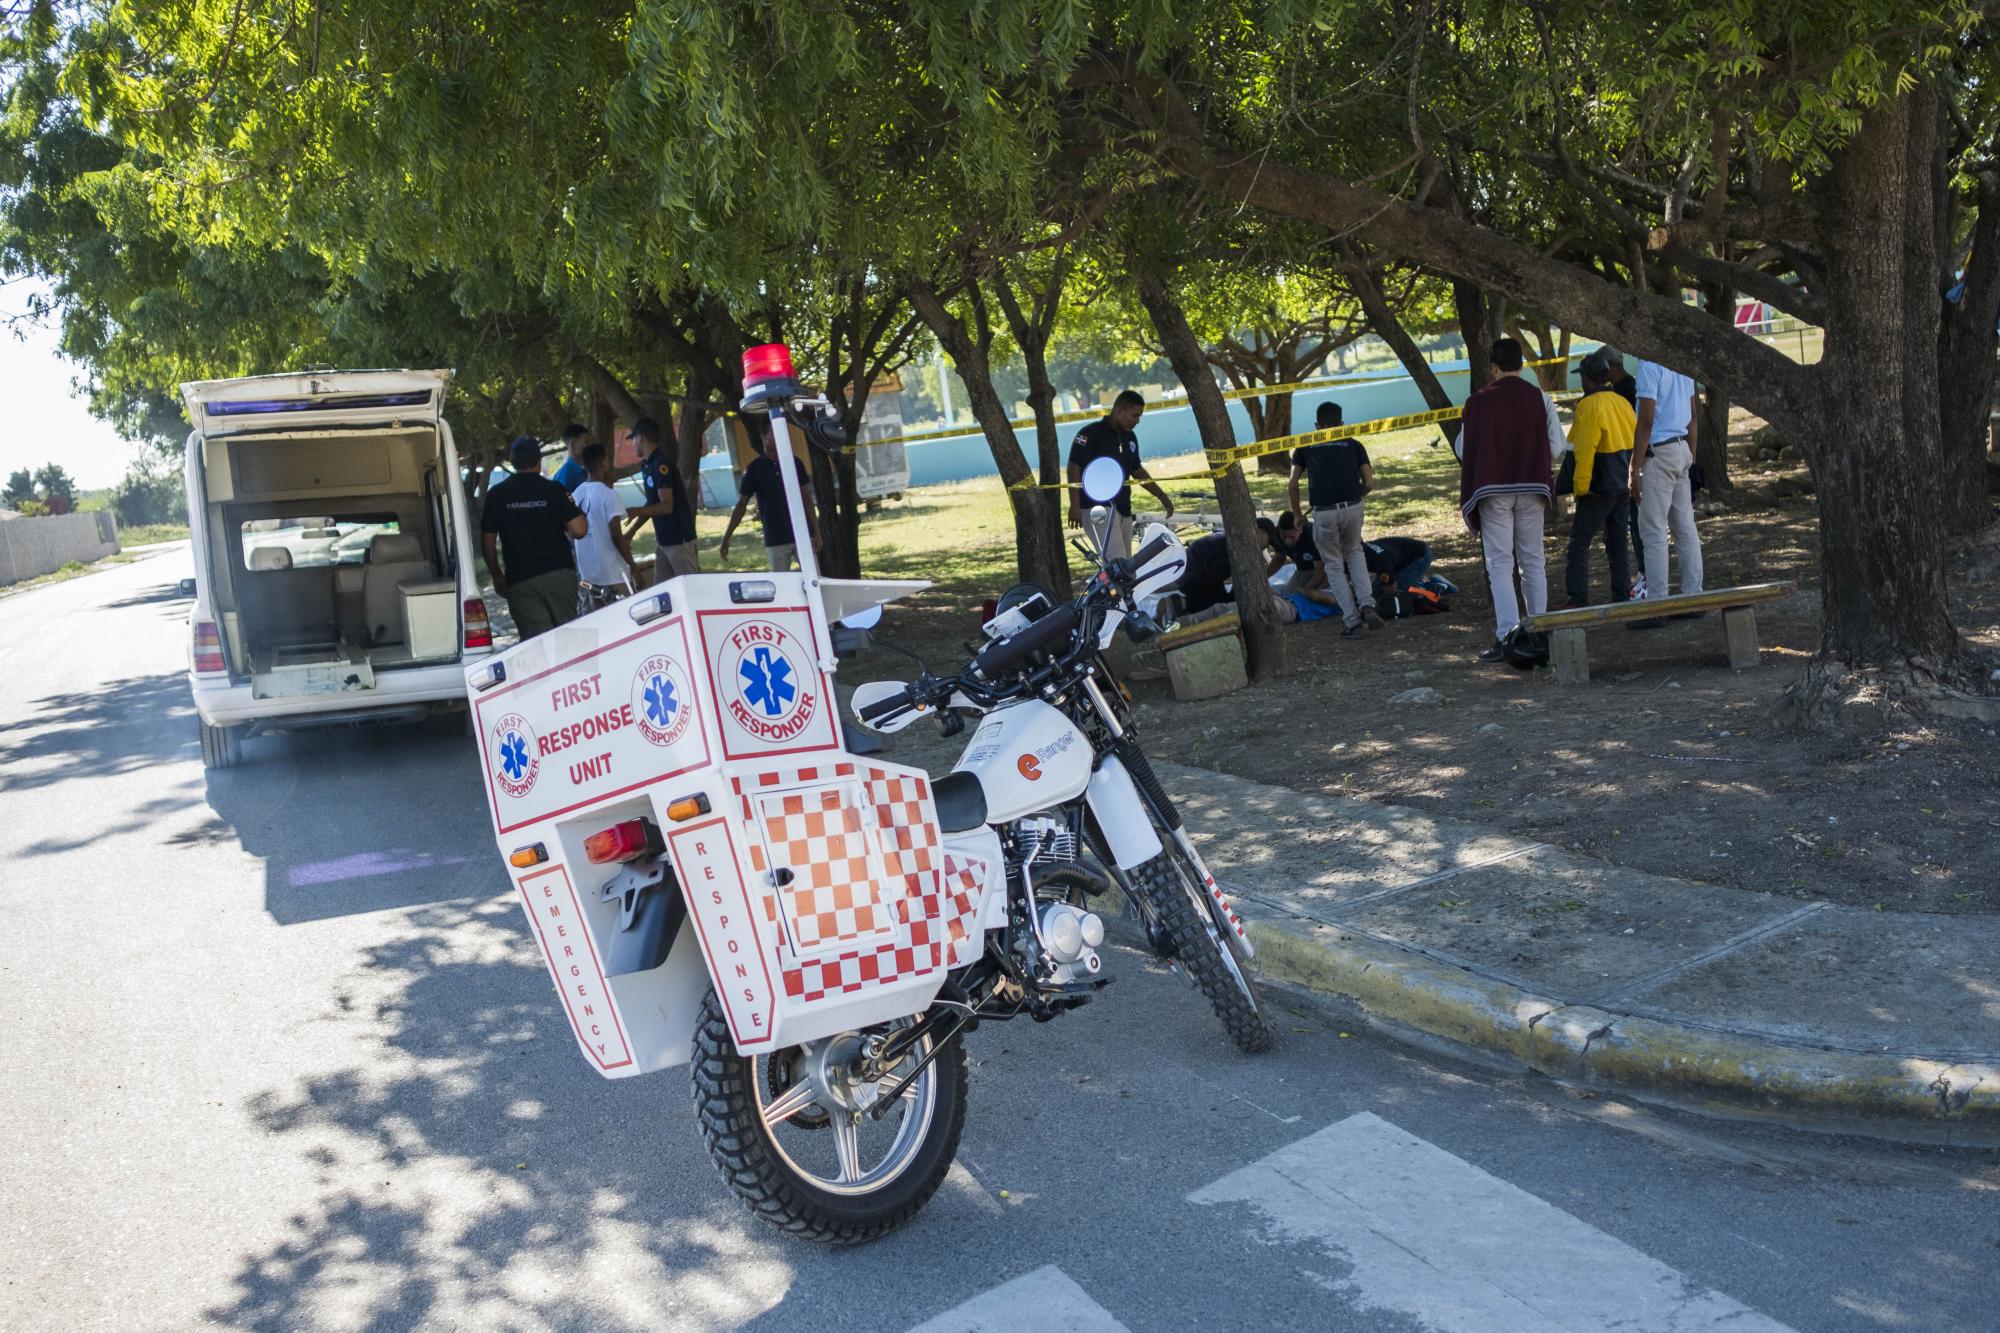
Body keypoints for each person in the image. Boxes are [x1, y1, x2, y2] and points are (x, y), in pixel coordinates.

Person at [1458, 338, 1554, 661]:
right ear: (1521, 364)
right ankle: (1540, 631)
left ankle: (1508, 637)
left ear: (1494, 366)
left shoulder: (1478, 402)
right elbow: (1556, 446)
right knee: (1533, 561)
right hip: (1532, 487)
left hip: (1493, 490)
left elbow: (1462, 448)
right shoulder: (1540, 399)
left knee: (1500, 564)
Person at [1287, 401, 1383, 638]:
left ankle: (1352, 622)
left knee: (1334, 565)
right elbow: (1369, 483)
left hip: (1324, 512)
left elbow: (1292, 482)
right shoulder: (1354, 444)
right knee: (1355, 553)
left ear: (1317, 425)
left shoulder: (1305, 446)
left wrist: (1298, 515)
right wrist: (1355, 499)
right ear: (1341, 424)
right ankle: (1367, 604)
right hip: (1352, 507)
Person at [480, 435, 588, 639]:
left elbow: (487, 542)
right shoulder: (555, 489)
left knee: (536, 646)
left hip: (521, 581)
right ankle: (578, 671)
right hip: (559, 576)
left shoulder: (497, 494)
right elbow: (580, 530)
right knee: (570, 639)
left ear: (512, 462)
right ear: (539, 462)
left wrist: (497, 575)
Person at [1561, 353, 1636, 607]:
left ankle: (1578, 598)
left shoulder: (1588, 406)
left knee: (1579, 543)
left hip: (1598, 487)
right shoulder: (1622, 402)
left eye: (1581, 376)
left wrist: (1580, 487)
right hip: (1622, 483)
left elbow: (1584, 450)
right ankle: (1622, 594)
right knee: (1617, 542)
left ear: (1586, 379)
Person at [1632, 356, 1704, 613]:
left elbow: (1646, 421)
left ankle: (1658, 602)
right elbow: (1693, 415)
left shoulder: (1648, 366)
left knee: (1653, 531)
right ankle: (1694, 596)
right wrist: (1691, 456)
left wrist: (1635, 466)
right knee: (1685, 526)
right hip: (1681, 447)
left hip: (1658, 451)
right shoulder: (1682, 364)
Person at [1066, 390, 1175, 559]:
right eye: (1134, 415)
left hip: (1123, 508)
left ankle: (1121, 587)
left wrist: (1161, 496)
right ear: (1118, 411)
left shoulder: (1130, 437)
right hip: (1097, 508)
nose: (1138, 421)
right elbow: (1074, 468)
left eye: (1140, 416)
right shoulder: (1089, 433)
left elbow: (1137, 470)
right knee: (1117, 562)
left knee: (1127, 567)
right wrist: (1074, 506)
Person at [721, 421, 819, 571]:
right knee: (781, 586)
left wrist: (817, 532)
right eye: (774, 433)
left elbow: (806, 499)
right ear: (764, 437)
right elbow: (741, 505)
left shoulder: (795, 462)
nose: (780, 437)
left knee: (813, 580)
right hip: (775, 539)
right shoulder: (754, 469)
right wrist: (727, 536)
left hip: (803, 535)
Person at [623, 416, 699, 583]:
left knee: (692, 587)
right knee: (662, 591)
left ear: (641, 438)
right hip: (664, 540)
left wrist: (636, 511)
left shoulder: (660, 464)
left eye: (633, 439)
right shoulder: (647, 465)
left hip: (679, 540)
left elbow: (666, 506)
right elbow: (652, 504)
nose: (633, 443)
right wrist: (633, 530)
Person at [571, 442, 637, 609]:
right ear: (603, 462)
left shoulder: (575, 495)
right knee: (625, 618)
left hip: (588, 577)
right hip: (614, 574)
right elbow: (616, 536)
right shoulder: (609, 495)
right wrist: (633, 567)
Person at [1172, 518, 1278, 615]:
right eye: (1268, 541)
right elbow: (1243, 584)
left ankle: (1184, 602)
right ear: (1259, 532)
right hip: (1189, 578)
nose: (1267, 546)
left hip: (1187, 574)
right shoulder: (1239, 549)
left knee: (1226, 601)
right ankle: (1181, 603)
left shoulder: (1234, 538)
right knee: (1220, 606)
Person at [1363, 536, 1433, 603]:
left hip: (1420, 555)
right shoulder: (1363, 551)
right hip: (1398, 560)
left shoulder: (1380, 561)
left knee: (1397, 596)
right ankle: (1413, 581)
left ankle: (1430, 589)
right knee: (1374, 593)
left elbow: (1391, 591)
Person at [1274, 511, 1325, 594]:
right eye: (1284, 537)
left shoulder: (1312, 536)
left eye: (1292, 537)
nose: (1288, 541)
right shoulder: (1276, 535)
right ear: (1279, 530)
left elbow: (1321, 570)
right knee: (1288, 596)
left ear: (1300, 529)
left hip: (1325, 570)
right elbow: (1279, 558)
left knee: (1314, 597)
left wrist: (1305, 591)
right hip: (1302, 570)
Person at [550, 423, 591, 492]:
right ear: (573, 445)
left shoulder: (587, 471)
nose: (589, 446)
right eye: (585, 443)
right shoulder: (566, 474)